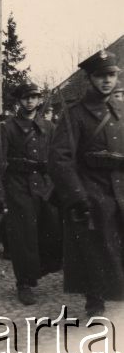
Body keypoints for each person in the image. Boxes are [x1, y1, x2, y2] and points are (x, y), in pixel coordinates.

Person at [49, 50, 124, 317]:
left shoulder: (121, 111)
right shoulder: (74, 114)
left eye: (111, 75)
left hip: (120, 188)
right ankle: (95, 299)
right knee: (94, 247)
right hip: (90, 189)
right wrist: (77, 194)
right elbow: (61, 158)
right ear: (90, 79)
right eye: (101, 76)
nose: (107, 81)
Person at [0, 81, 60, 305]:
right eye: (26, 97)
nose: (30, 101)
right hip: (17, 186)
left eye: (34, 97)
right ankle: (24, 283)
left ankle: (41, 270)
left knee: (51, 230)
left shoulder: (49, 128)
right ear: (19, 101)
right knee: (23, 236)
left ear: (39, 100)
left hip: (44, 186)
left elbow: (59, 158)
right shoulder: (7, 128)